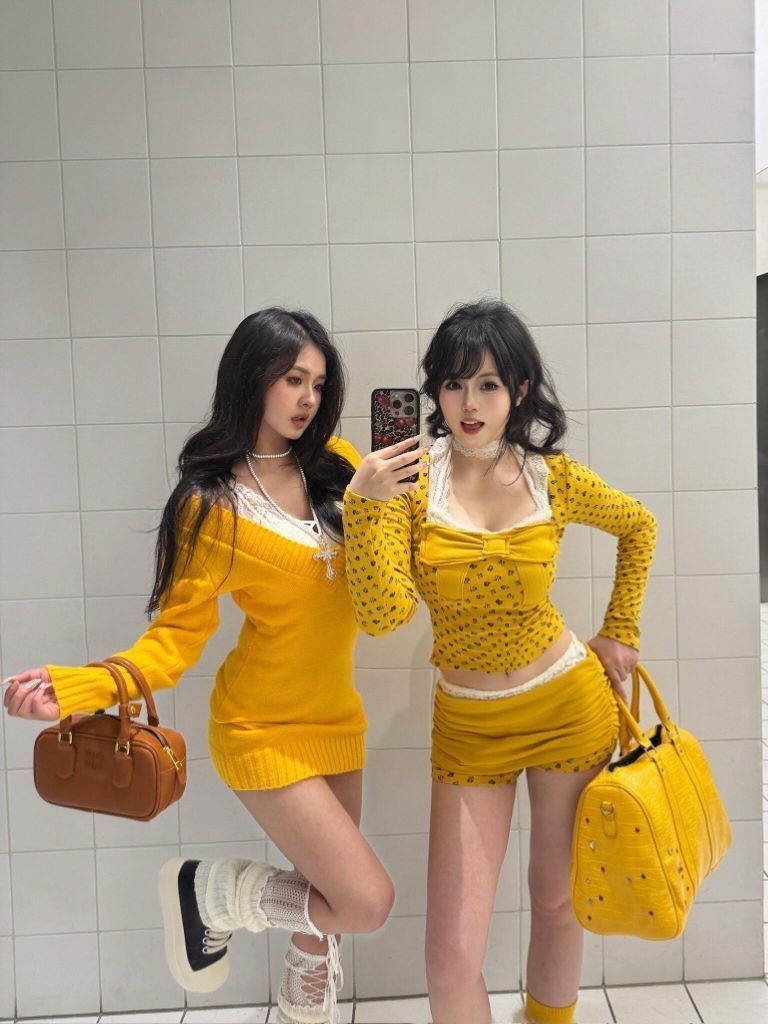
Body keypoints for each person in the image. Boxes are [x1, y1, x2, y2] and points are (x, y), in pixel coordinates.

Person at [3, 308, 394, 1024]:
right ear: (252, 378)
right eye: (292, 379)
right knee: (363, 902)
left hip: (338, 719)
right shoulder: (210, 505)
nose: (308, 398)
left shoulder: (338, 466)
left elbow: (380, 585)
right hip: (261, 729)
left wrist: (383, 503)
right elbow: (173, 641)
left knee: (320, 933)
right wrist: (77, 689)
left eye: (317, 383)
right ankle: (209, 892)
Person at [342, 299, 657, 1024]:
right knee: (450, 958)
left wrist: (620, 630)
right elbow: (383, 615)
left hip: (567, 706)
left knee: (557, 898)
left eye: (487, 384)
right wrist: (365, 503)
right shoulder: (409, 484)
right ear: (434, 392)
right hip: (470, 728)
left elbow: (639, 526)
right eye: (453, 384)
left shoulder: (552, 477)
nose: (469, 404)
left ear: (519, 390)